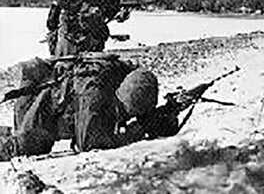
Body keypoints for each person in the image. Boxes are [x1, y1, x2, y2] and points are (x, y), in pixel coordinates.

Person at [0, 53, 172, 160]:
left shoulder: (119, 73)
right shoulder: (94, 93)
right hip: (41, 110)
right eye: (126, 111)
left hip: (43, 91)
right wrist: (134, 132)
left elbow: (139, 101)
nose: (126, 115)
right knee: (23, 147)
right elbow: (90, 143)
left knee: (19, 133)